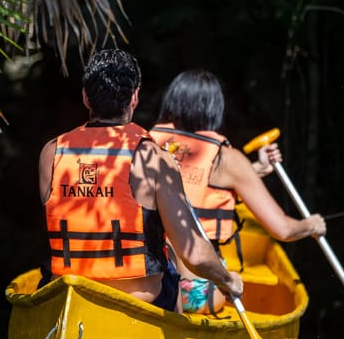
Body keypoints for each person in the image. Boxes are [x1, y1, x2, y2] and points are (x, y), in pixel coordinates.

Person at [37, 50, 243, 312]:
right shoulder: (154, 158)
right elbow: (195, 255)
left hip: (68, 292)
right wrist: (228, 280)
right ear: (134, 97)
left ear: (86, 97)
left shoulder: (51, 152)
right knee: (170, 268)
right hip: (139, 301)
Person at [150, 69, 326, 315]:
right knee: (226, 278)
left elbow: (187, 183)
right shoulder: (227, 160)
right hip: (194, 292)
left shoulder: (148, 143)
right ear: (215, 109)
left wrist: (255, 170)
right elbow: (283, 230)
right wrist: (311, 225)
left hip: (147, 281)